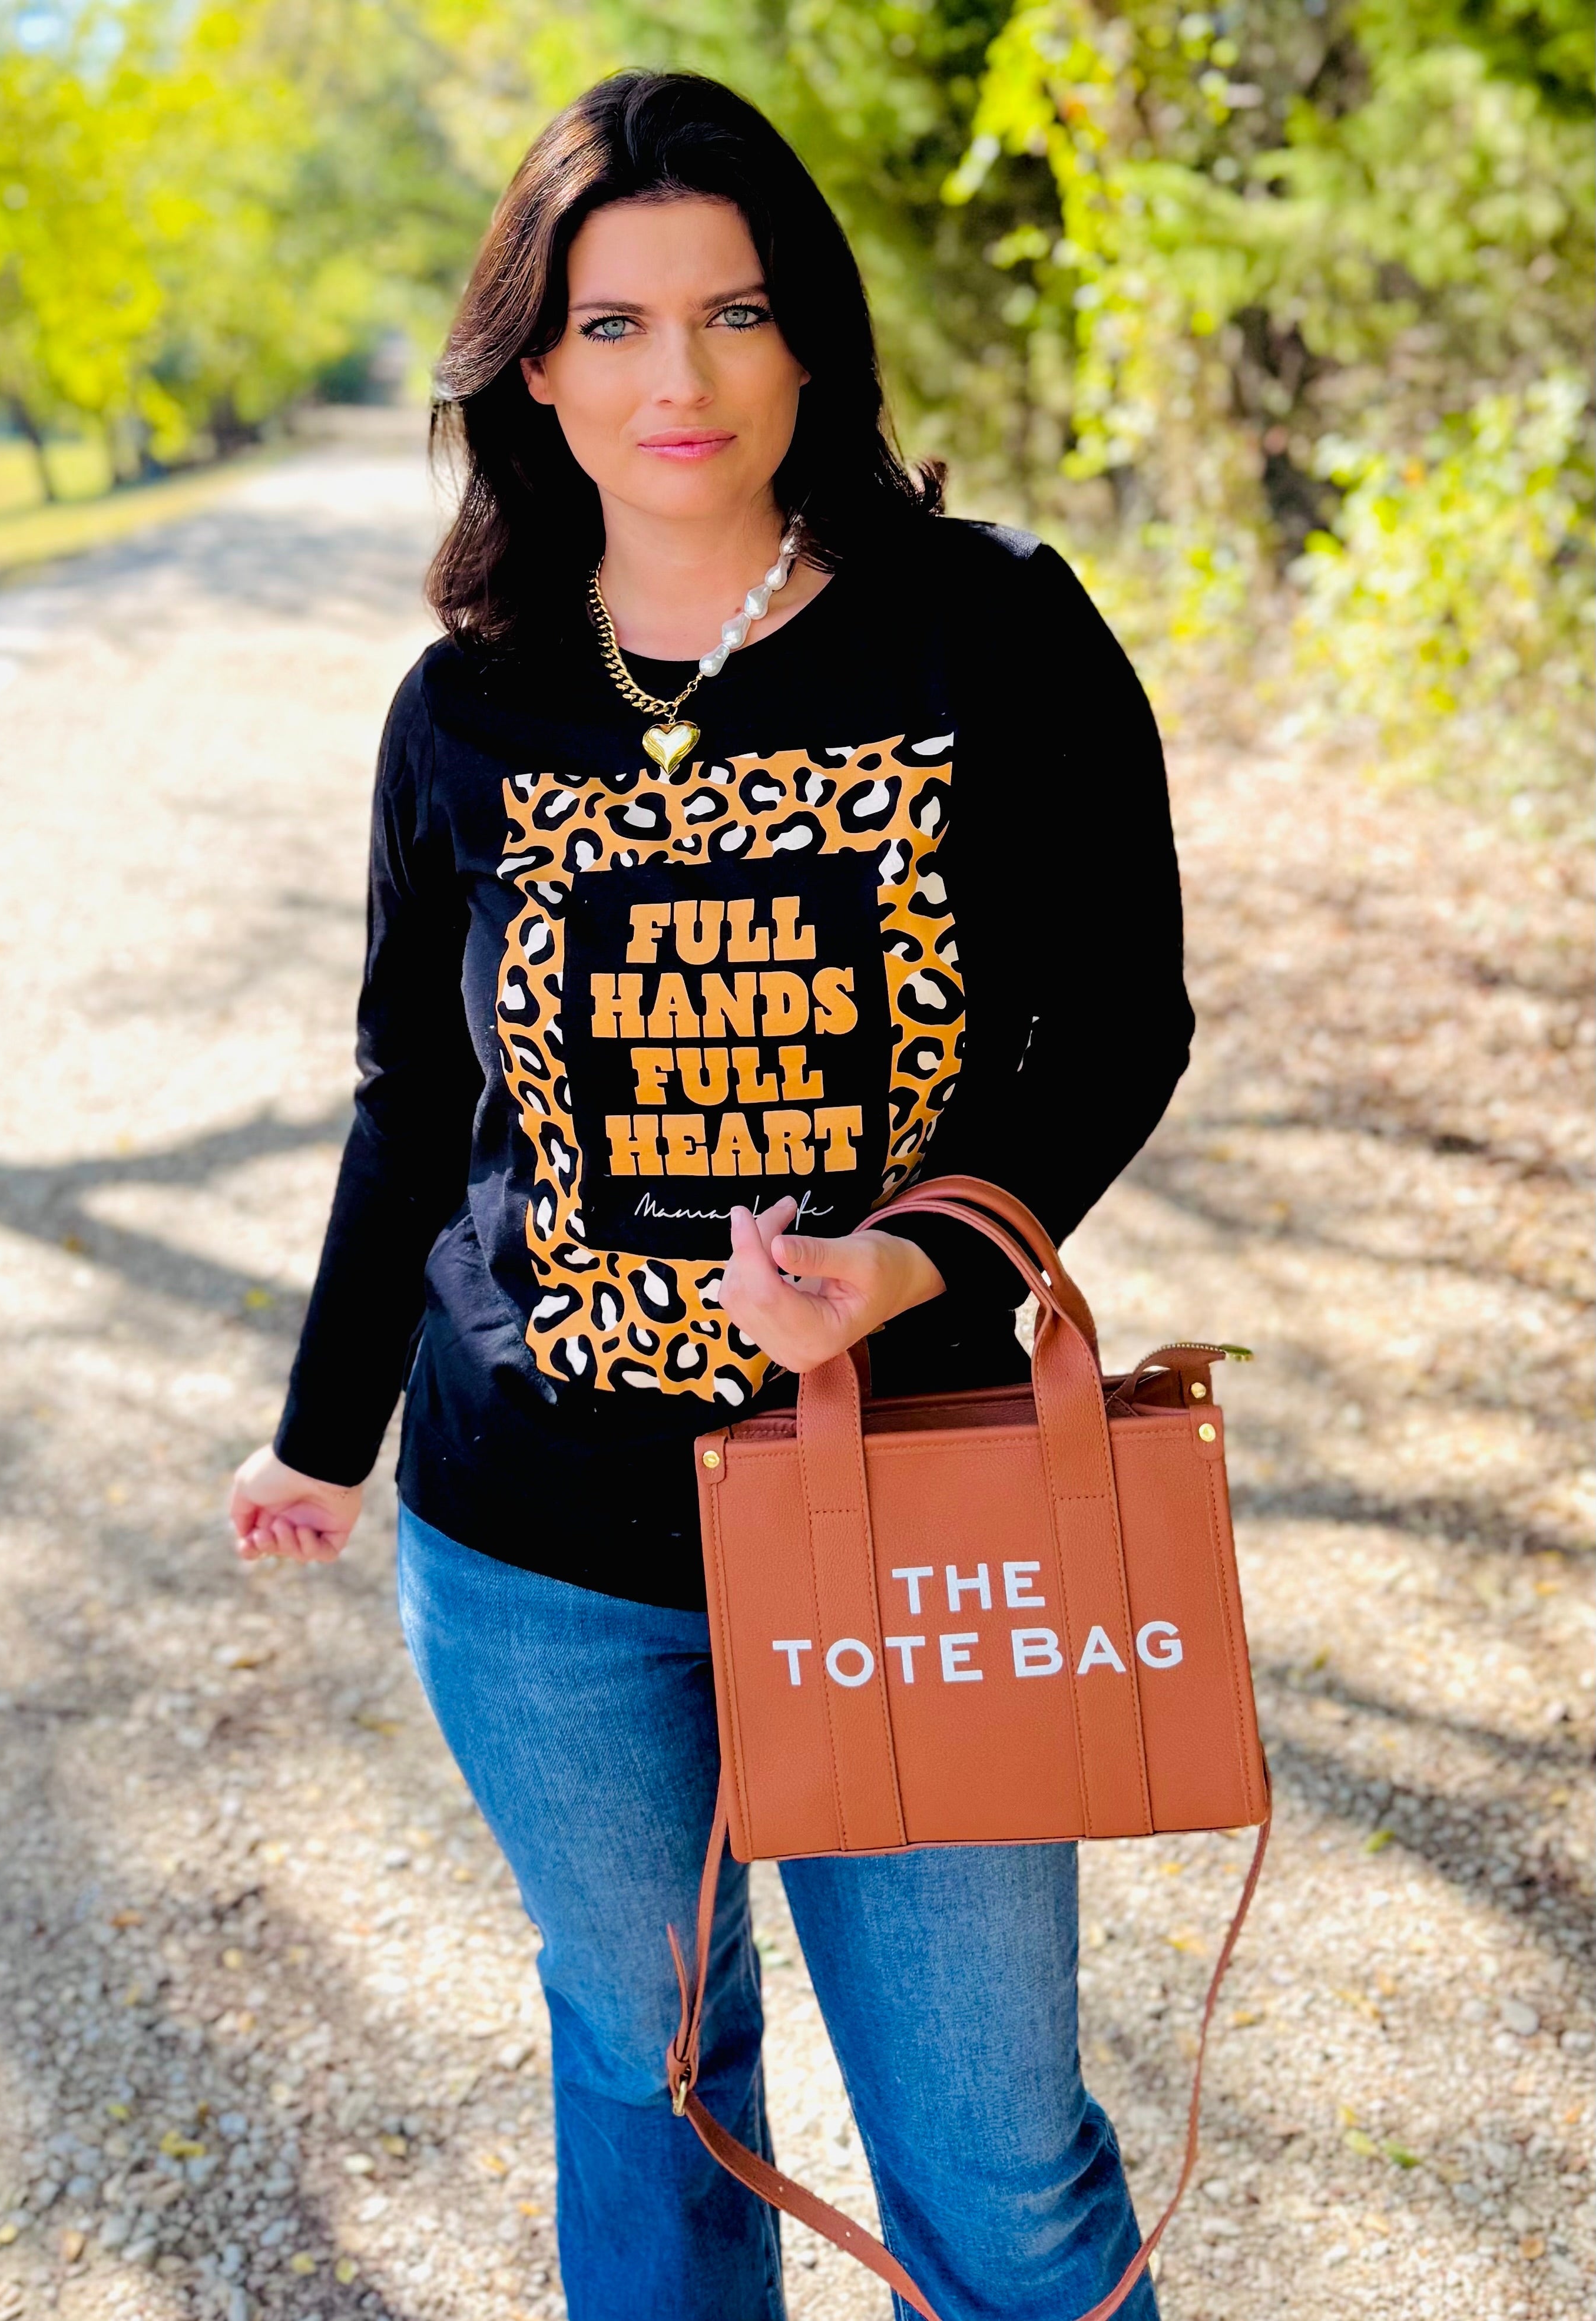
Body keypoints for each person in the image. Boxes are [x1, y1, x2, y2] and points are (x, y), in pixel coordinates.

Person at [229, 67, 1193, 2321]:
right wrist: (320, 1432)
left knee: (1001, 2163)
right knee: (653, 2083)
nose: (681, 376)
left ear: (811, 341)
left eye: (735, 312)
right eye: (615, 324)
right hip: (538, 1549)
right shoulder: (463, 709)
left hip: (915, 1507)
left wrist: (908, 1260)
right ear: (531, 372)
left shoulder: (987, 628)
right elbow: (411, 1098)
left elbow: (1114, 1024)